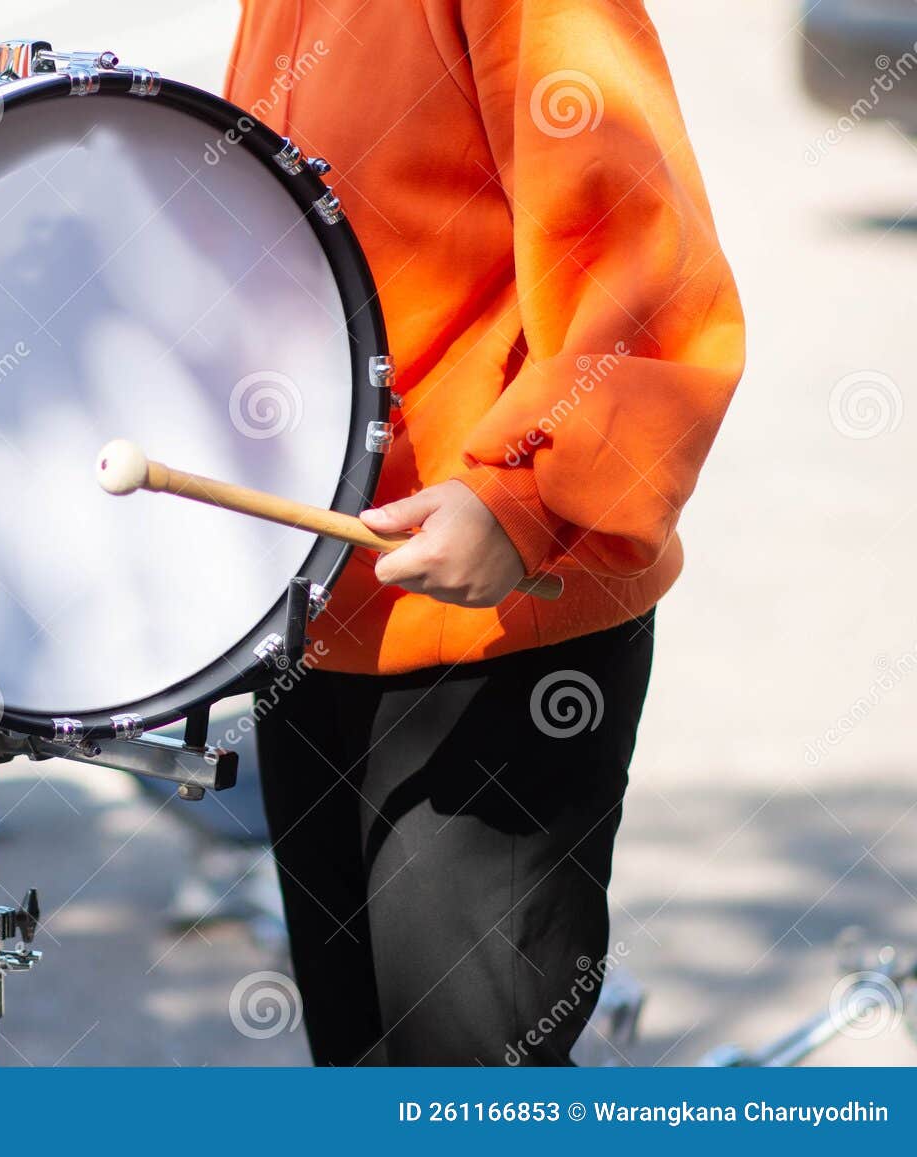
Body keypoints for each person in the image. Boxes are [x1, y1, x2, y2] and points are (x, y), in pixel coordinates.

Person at [233, 0, 745, 1064]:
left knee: (471, 1083)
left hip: (497, 633)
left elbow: (644, 260)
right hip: (316, 603)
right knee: (360, 1065)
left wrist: (526, 498)